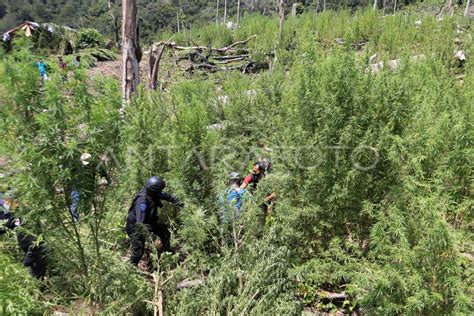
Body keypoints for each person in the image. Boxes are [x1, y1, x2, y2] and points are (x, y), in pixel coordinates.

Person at [125, 176, 184, 265]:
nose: (160, 192)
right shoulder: (142, 200)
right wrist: (146, 236)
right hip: (136, 228)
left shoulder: (152, 193)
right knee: (138, 252)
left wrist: (181, 203)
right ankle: (130, 268)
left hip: (148, 222)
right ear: (154, 189)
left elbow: (167, 196)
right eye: (159, 190)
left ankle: (164, 251)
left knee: (165, 233)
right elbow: (140, 222)